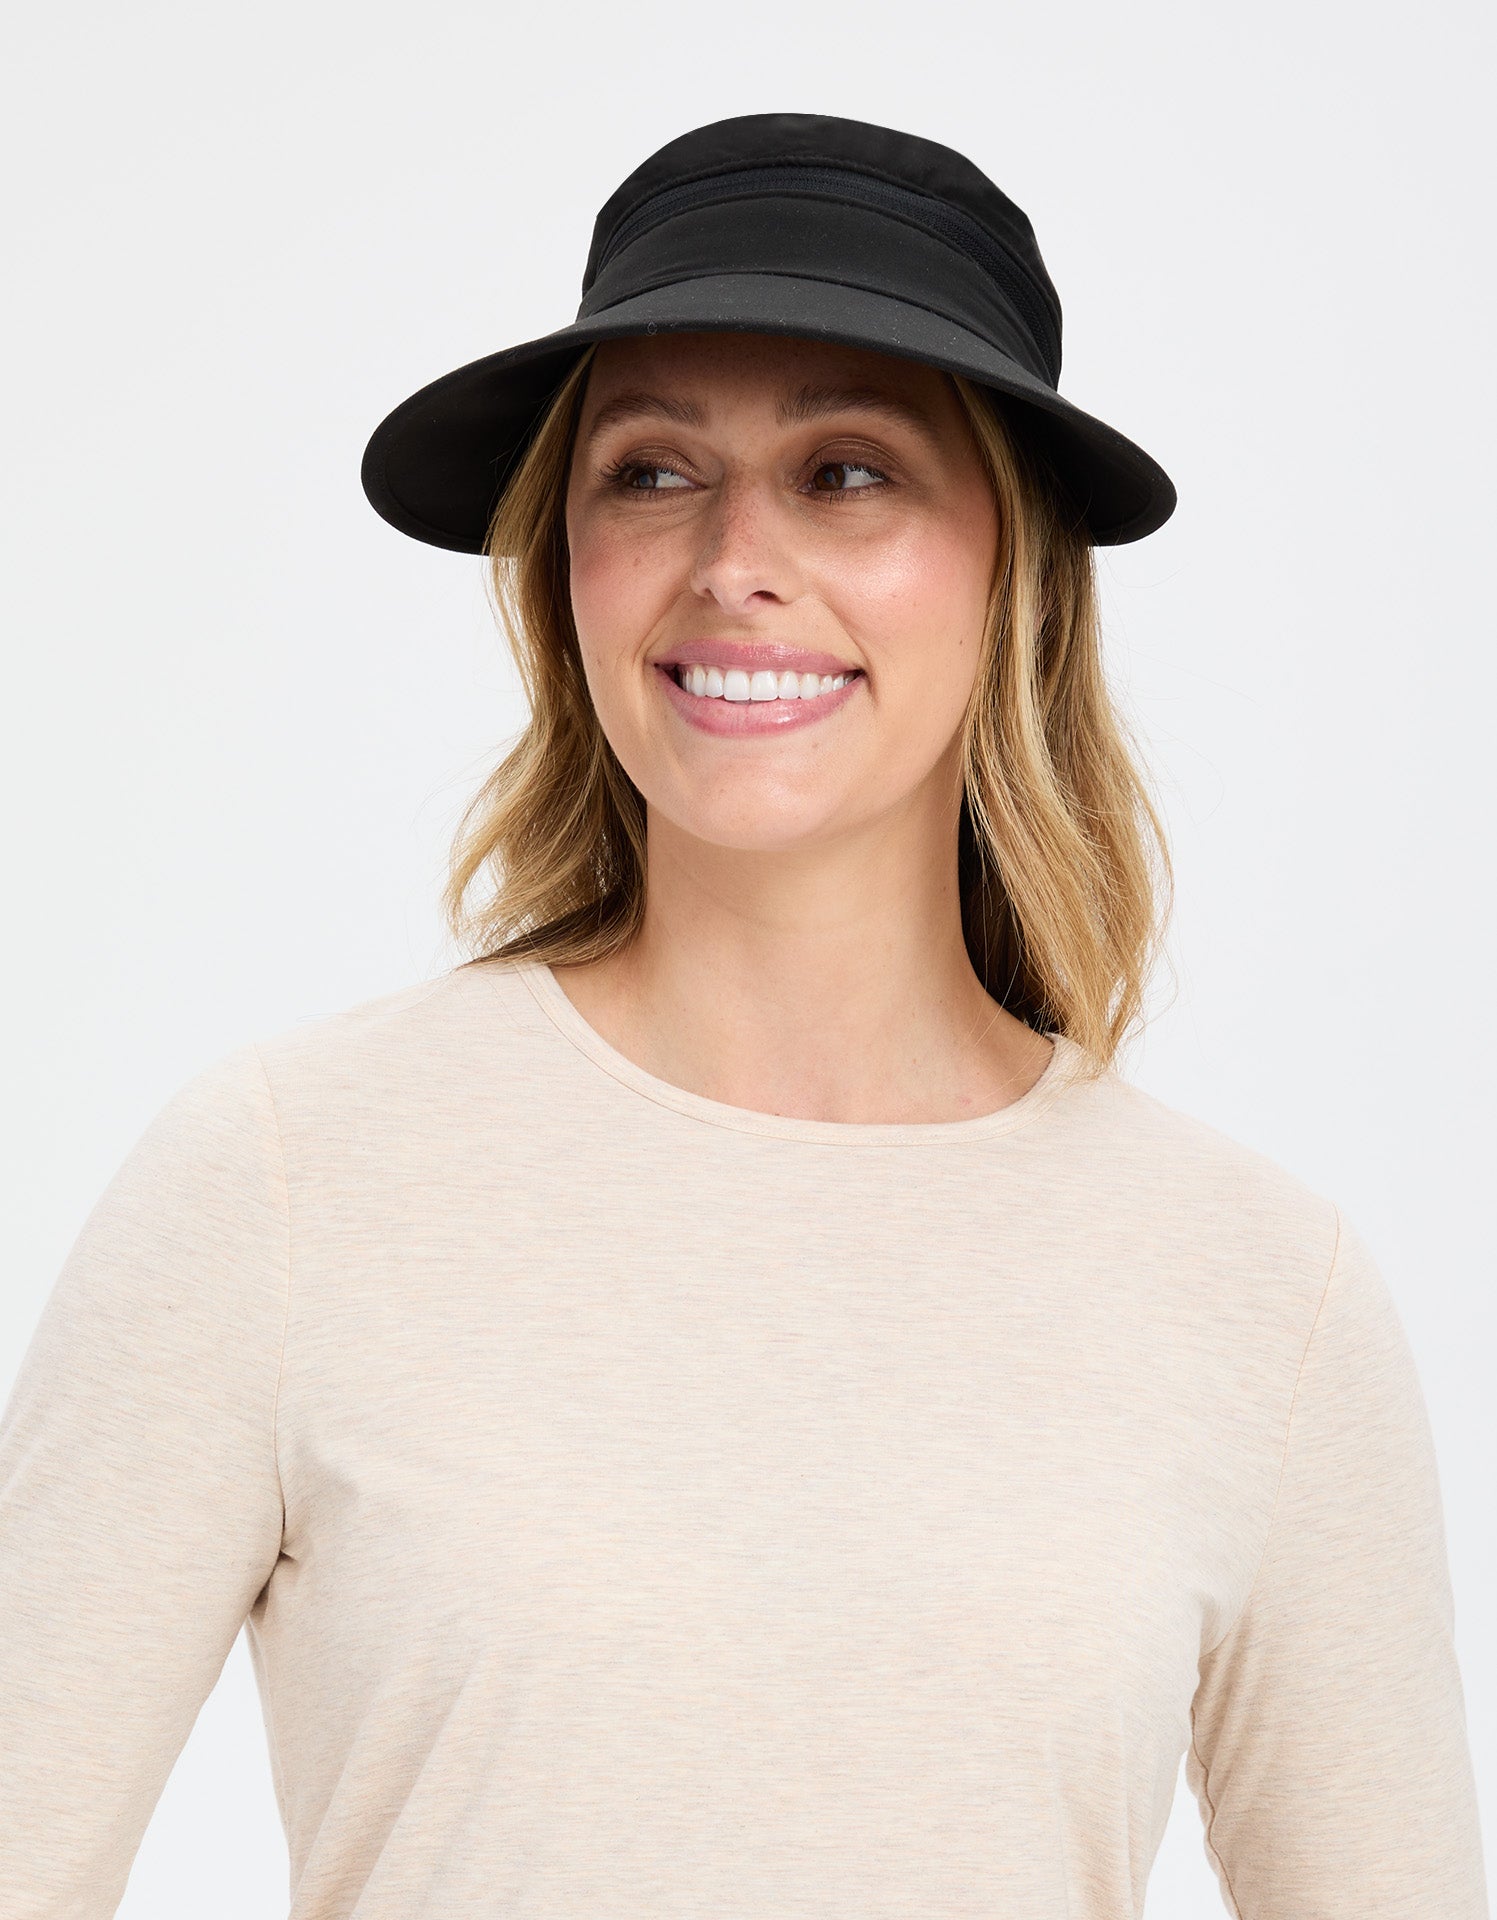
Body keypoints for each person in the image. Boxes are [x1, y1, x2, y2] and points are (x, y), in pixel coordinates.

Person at [0, 112, 1486, 1920]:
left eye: (847, 471)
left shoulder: (1260, 1292)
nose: (732, 559)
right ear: (561, 561)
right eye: (650, 472)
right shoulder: (285, 1180)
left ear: (1012, 567)